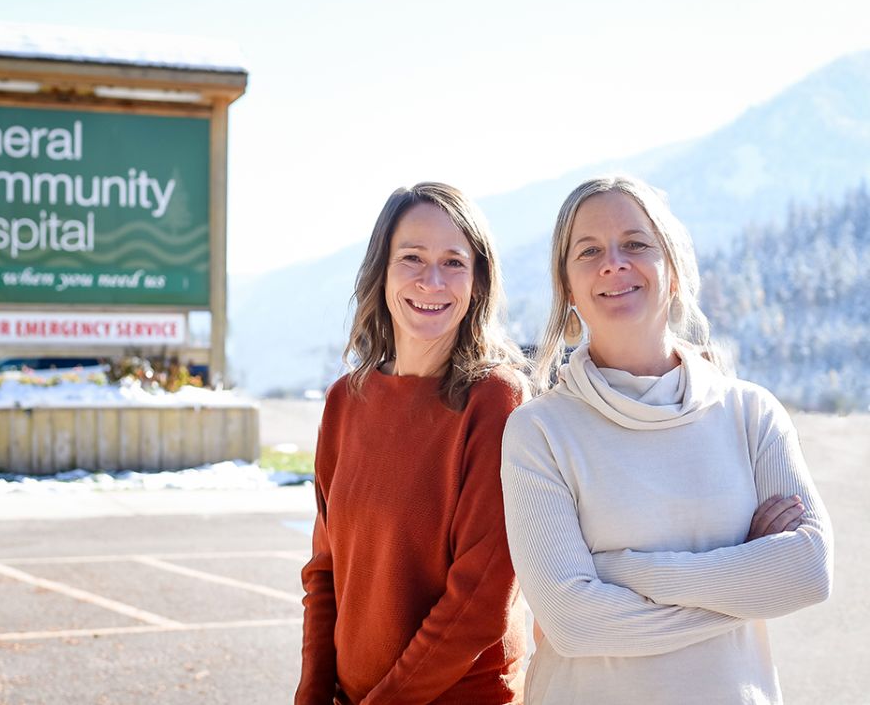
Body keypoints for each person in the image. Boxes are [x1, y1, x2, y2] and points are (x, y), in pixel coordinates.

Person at [501, 175, 833, 705]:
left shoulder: (751, 413)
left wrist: (624, 571)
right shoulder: (539, 432)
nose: (613, 263)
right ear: (566, 286)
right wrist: (746, 579)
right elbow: (574, 625)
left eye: (636, 244)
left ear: (673, 269)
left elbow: (809, 572)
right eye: (589, 251)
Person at [296, 182, 529, 704]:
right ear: (382, 271)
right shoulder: (344, 402)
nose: (432, 280)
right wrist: (311, 694)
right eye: (412, 258)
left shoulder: (496, 400)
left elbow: (479, 602)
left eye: (453, 262)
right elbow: (325, 572)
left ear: (478, 282)